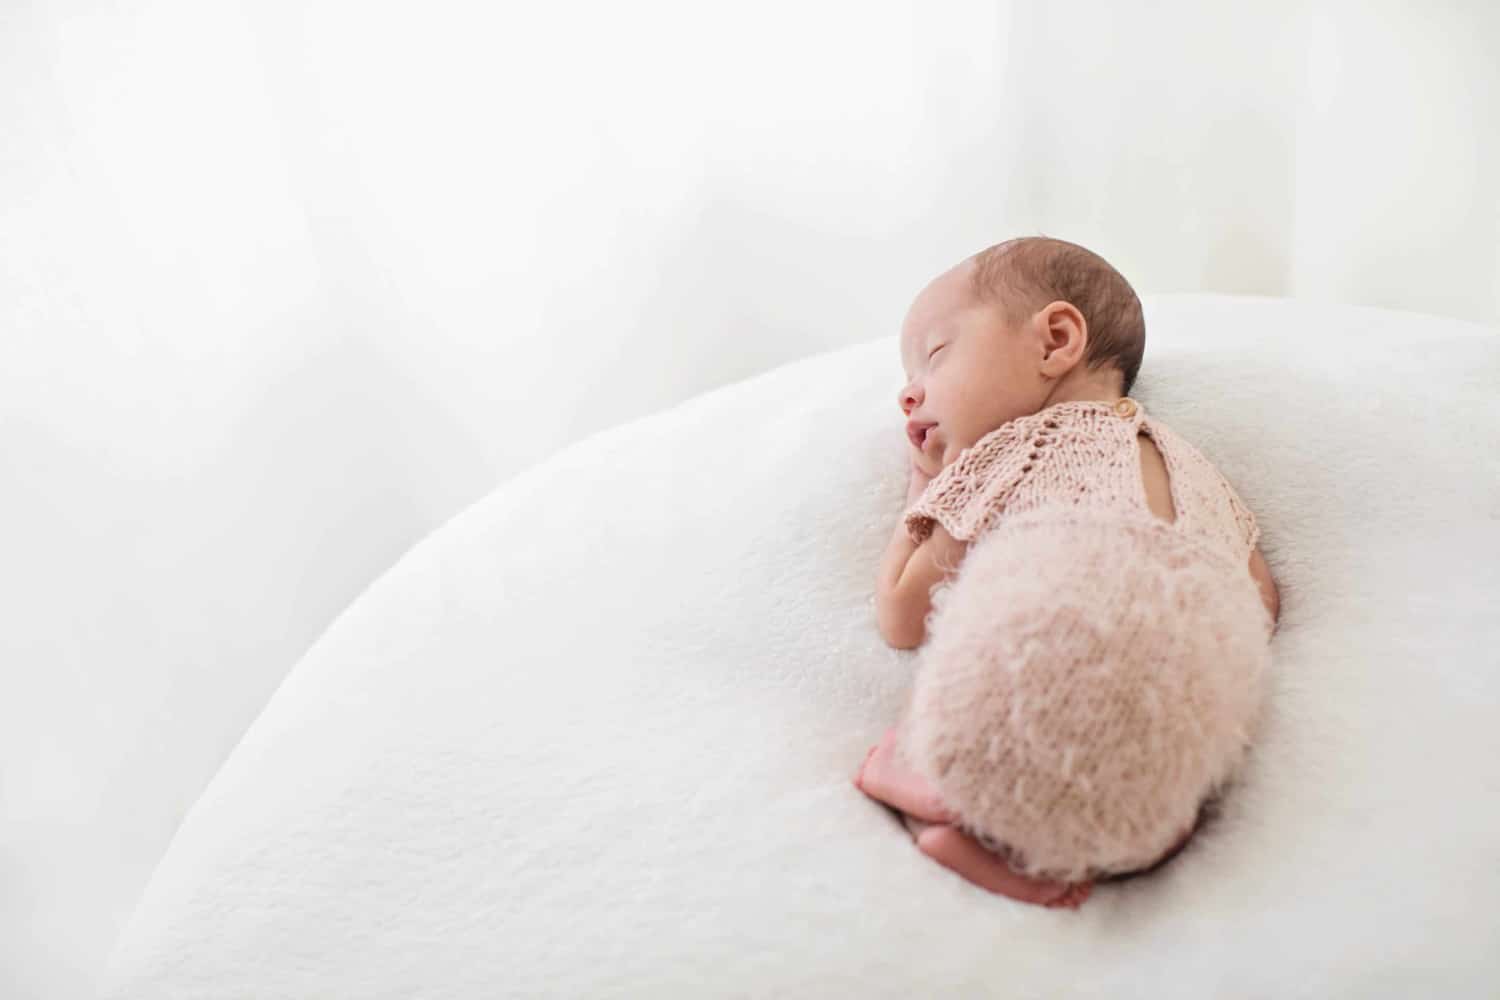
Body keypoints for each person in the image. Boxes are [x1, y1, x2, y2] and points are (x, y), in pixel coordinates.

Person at [854, 236, 1281, 909]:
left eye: (934, 357)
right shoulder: (1195, 469)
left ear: (1055, 340)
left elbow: (903, 616)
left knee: (957, 675)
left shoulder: (1010, 450)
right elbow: (1261, 600)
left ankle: (930, 794)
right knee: (1183, 760)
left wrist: (923, 492)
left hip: (1011, 723)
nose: (909, 394)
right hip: (1155, 782)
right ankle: (1128, 848)